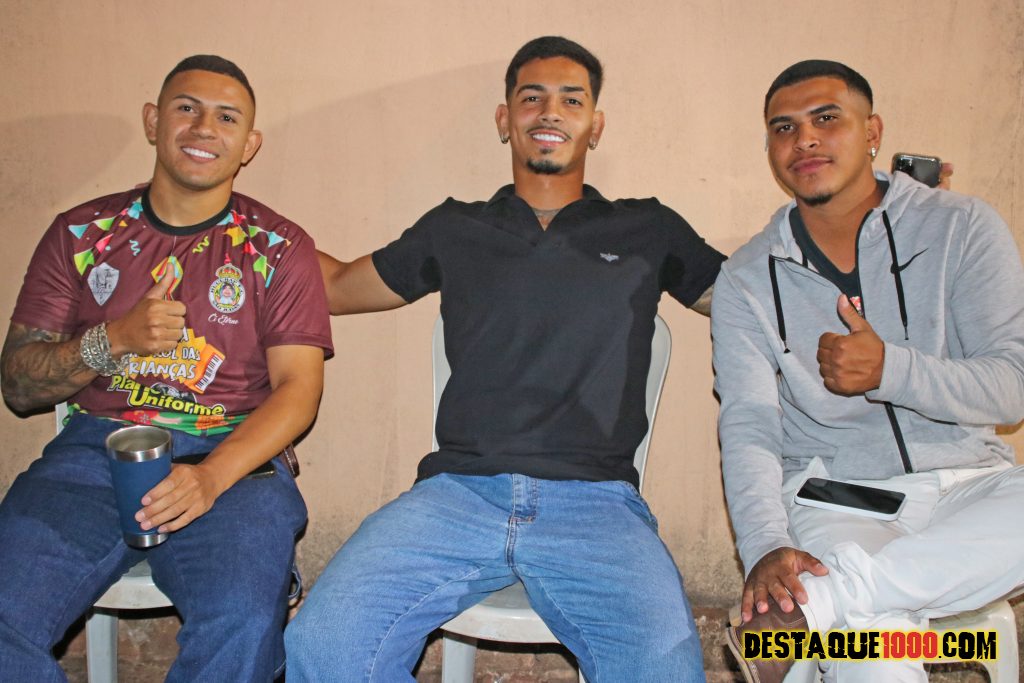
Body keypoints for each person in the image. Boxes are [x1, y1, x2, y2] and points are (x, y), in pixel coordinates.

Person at [285, 36, 723, 681]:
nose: (550, 112)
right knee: (324, 643)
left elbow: (749, 302)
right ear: (504, 119)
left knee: (666, 669)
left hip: (597, 507)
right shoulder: (454, 227)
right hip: (456, 496)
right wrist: (233, 230)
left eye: (571, 100)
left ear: (595, 125)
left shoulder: (648, 228)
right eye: (532, 98)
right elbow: (337, 287)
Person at [0, 55, 332, 681]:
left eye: (227, 117)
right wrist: (112, 341)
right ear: (153, 121)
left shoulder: (279, 247)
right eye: (187, 108)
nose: (204, 128)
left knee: (242, 622)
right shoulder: (81, 233)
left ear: (249, 145)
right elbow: (17, 384)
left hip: (235, 459)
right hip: (94, 454)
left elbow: (298, 392)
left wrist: (210, 478)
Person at [712, 59, 1024, 683]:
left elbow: (1012, 388)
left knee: (854, 625)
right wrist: (766, 545)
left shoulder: (961, 227)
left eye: (827, 118)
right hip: (842, 499)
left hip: (969, 486)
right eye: (783, 127)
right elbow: (749, 425)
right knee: (875, 650)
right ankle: (833, 612)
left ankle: (818, 609)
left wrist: (892, 371)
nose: (804, 139)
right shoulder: (746, 278)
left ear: (872, 131)